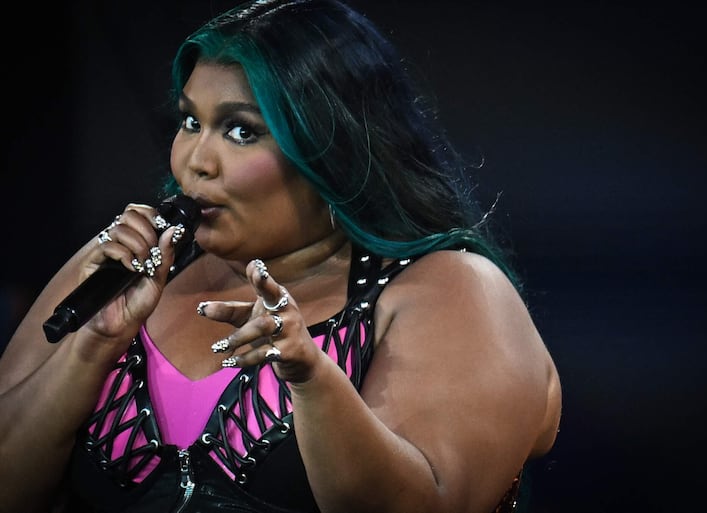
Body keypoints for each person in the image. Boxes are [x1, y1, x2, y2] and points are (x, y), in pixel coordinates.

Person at [0, 1, 561, 512]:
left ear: (334, 149)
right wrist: (93, 344)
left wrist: (313, 379)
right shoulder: (121, 266)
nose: (196, 160)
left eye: (241, 132)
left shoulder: (451, 288)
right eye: (191, 122)